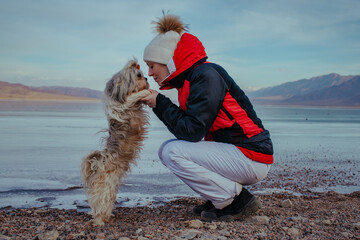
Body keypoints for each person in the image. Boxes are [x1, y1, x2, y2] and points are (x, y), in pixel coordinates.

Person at [142, 14, 273, 222]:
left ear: (167, 60)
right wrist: (159, 104)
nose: (149, 73)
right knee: (173, 148)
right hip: (242, 153)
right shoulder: (193, 79)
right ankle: (220, 197)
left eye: (152, 65)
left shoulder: (205, 75)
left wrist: (160, 103)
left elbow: (191, 131)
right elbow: (192, 129)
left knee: (170, 151)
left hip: (251, 155)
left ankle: (236, 200)